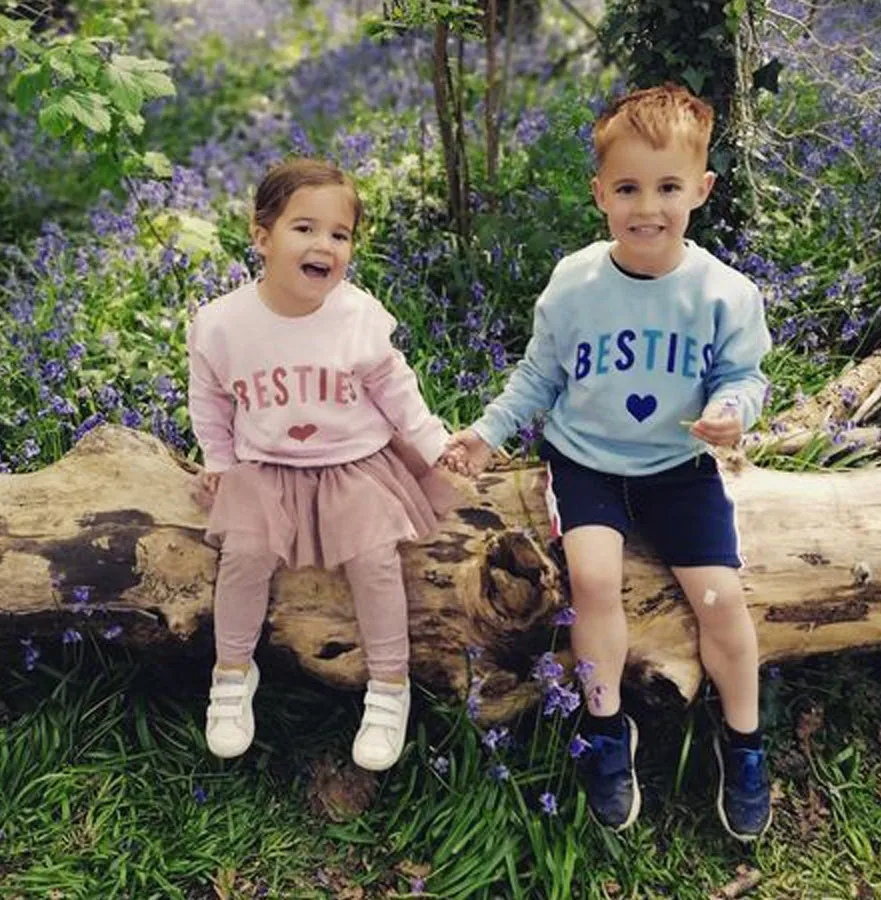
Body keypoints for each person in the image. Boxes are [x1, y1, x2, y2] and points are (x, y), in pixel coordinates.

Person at [444, 83, 773, 841]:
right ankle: (604, 728)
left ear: (702, 189)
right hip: (587, 463)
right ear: (600, 194)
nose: (647, 207)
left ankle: (745, 740)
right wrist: (488, 434)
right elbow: (539, 375)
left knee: (721, 598)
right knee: (591, 581)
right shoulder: (576, 282)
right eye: (627, 188)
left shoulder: (725, 292)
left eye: (667, 187)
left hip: (680, 467)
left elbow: (745, 376)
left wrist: (733, 414)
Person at [188, 157, 458, 772]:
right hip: (266, 466)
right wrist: (219, 459)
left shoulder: (355, 316)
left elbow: (397, 389)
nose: (324, 245)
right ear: (262, 236)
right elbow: (208, 396)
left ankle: (390, 685)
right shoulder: (224, 323)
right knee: (245, 556)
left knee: (374, 561)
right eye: (304, 228)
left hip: (352, 464)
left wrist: (432, 440)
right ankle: (232, 672)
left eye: (339, 235)